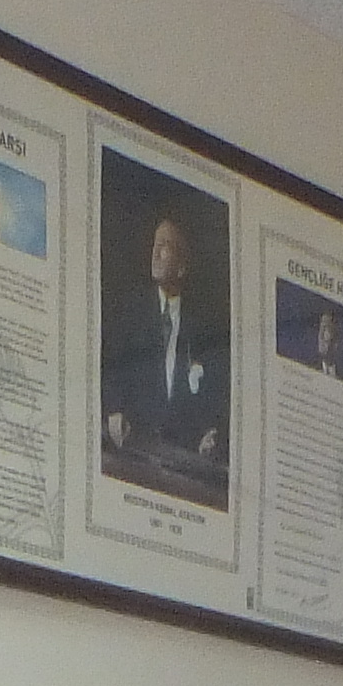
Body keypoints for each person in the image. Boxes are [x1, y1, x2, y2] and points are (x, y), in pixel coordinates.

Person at [104, 205, 227, 498]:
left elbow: (211, 395)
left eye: (165, 245)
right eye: (155, 244)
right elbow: (111, 369)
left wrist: (209, 433)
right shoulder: (131, 312)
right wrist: (114, 410)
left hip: (181, 460)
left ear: (182, 266)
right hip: (134, 449)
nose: (155, 253)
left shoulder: (201, 329)